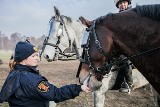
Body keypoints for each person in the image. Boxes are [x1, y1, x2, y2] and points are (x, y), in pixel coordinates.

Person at [0, 41, 91, 107]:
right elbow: (56, 94)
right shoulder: (32, 80)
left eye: (37, 55)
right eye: (33, 56)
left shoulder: (14, 73)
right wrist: (80, 88)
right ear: (23, 59)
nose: (37, 58)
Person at [114, 0, 133, 94]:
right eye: (120, 3)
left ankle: (129, 83)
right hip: (119, 45)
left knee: (125, 60)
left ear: (128, 3)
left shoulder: (133, 14)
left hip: (131, 45)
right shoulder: (116, 17)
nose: (122, 5)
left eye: (124, 2)